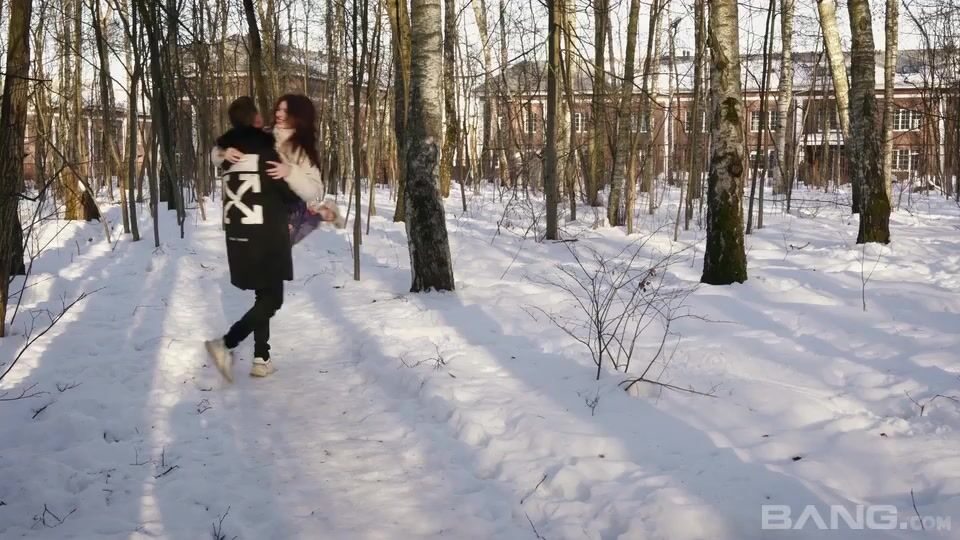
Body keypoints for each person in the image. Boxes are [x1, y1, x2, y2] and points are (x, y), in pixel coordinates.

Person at [204, 97, 301, 381]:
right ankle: (225, 344)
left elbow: (217, 156)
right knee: (272, 301)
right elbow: (289, 193)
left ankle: (261, 358)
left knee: (263, 295)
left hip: (239, 236)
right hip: (266, 237)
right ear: (255, 119)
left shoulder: (228, 155)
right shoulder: (265, 151)